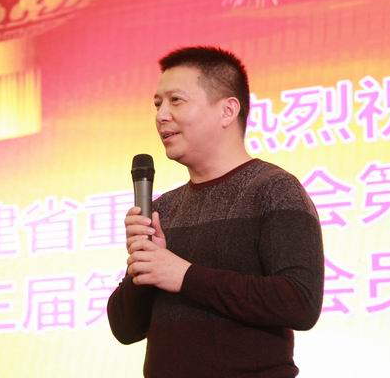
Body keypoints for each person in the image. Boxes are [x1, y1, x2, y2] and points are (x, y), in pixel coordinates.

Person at [107, 46, 324, 378]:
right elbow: (125, 327)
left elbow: (299, 301)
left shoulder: (274, 190)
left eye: (176, 101)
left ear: (227, 110)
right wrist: (142, 265)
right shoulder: (163, 208)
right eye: (157, 104)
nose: (161, 115)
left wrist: (185, 276)